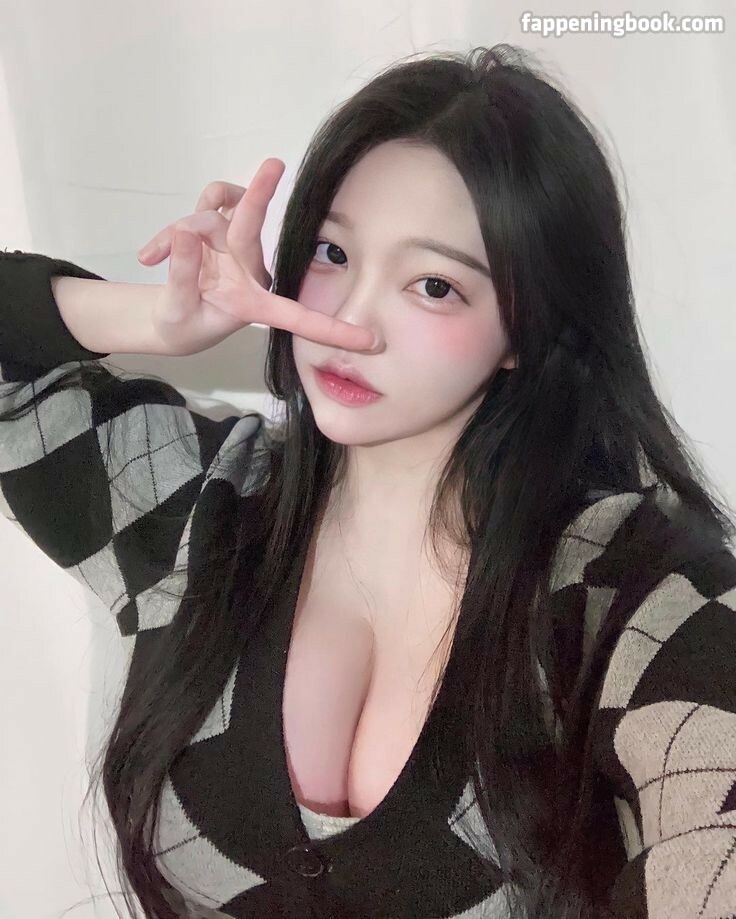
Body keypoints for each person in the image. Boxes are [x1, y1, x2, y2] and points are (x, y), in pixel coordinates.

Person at [1, 43, 735, 919]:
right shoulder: (195, 499)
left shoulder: (633, 594)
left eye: (433, 285)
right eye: (332, 251)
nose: (350, 321)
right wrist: (155, 320)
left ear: (527, 328)